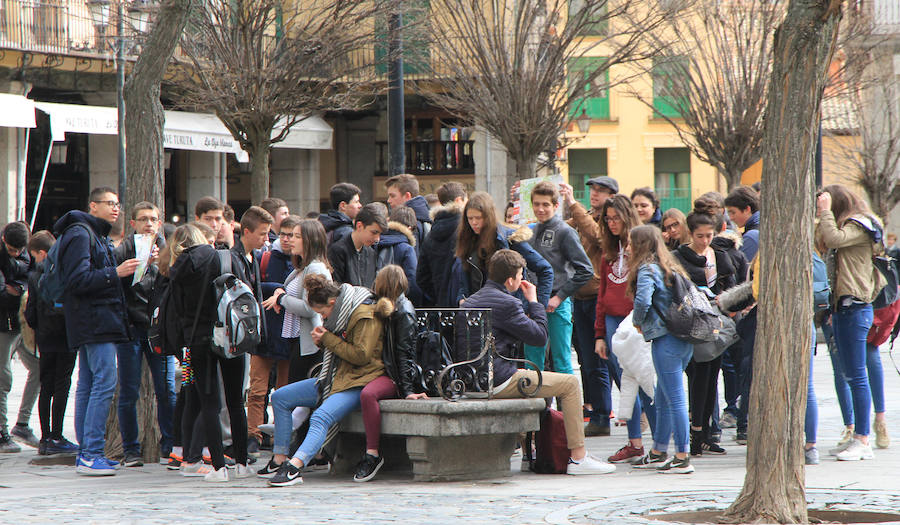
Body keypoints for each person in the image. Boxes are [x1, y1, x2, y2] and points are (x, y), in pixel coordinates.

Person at [460, 249, 615, 475]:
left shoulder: (471, 301)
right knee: (570, 383)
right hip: (499, 380)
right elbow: (540, 336)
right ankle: (579, 458)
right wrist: (534, 302)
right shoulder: (508, 303)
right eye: (521, 275)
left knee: (530, 377)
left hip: (472, 381)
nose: (523, 280)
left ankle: (528, 452)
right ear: (510, 279)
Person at [263, 274, 386, 487]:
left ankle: (295, 467)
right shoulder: (339, 313)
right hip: (335, 376)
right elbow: (339, 347)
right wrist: (323, 341)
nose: (322, 318)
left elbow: (361, 356)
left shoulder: (364, 313)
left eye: (322, 312)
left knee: (320, 416)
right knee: (281, 397)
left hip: (358, 380)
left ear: (332, 302)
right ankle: (279, 459)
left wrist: (327, 339)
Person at [56, 187, 136, 475]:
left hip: (96, 320)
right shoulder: (81, 233)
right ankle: (90, 453)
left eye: (117, 204)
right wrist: (116, 272)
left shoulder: (92, 233)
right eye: (109, 203)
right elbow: (77, 280)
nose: (116, 208)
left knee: (90, 384)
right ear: (93, 205)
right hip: (94, 321)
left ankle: (87, 452)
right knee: (103, 383)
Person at [170, 223, 251, 481]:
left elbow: (177, 308)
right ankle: (242, 463)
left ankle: (218, 468)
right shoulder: (228, 257)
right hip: (230, 335)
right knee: (236, 402)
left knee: (209, 403)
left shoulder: (182, 266)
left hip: (198, 339)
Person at [816, 183, 886, 461]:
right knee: (848, 372)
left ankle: (863, 440)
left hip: (857, 306)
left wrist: (824, 211)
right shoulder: (851, 225)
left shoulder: (861, 225)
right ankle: (857, 433)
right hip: (844, 307)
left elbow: (832, 238)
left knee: (857, 375)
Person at [627, 225, 695, 474]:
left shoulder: (647, 269)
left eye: (630, 243)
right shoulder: (671, 266)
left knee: (674, 398)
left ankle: (682, 456)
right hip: (683, 338)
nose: (627, 248)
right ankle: (658, 451)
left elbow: (643, 300)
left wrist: (637, 321)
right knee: (664, 395)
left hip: (666, 339)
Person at [113, 201, 175, 467]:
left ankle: (171, 445)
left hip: (159, 330)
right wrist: (138, 267)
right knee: (129, 392)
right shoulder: (124, 250)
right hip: (130, 329)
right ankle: (130, 450)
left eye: (153, 219)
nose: (149, 223)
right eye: (143, 219)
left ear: (159, 223)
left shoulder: (168, 249)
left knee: (167, 390)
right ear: (133, 224)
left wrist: (161, 263)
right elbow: (115, 286)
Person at [671, 204, 735, 456]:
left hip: (716, 321)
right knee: (697, 377)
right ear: (690, 233)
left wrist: (725, 301)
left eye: (709, 236)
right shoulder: (679, 256)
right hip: (692, 322)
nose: (705, 241)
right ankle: (695, 432)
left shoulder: (718, 254)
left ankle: (707, 433)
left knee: (711, 378)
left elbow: (731, 283)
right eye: (700, 236)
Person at [593, 195, 653, 463]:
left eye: (616, 218)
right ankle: (634, 444)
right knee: (624, 384)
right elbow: (602, 294)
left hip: (636, 322)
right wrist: (598, 334)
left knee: (646, 383)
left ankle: (661, 445)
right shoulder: (608, 250)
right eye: (607, 219)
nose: (612, 223)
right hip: (611, 322)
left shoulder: (642, 248)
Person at [354, 265, 427, 482]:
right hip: (378, 369)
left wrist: (407, 391)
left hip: (393, 375)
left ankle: (373, 453)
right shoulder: (382, 304)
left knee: (368, 395)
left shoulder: (403, 311)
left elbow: (405, 354)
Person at [559, 177, 616, 437]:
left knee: (606, 361)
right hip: (579, 297)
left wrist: (572, 203)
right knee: (588, 362)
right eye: (593, 189)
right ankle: (599, 415)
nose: (594, 194)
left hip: (597, 298)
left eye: (601, 191)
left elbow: (598, 236)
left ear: (612, 195)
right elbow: (561, 229)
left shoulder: (608, 222)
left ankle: (612, 414)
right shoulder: (586, 216)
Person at [522, 181, 593, 376]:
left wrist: (560, 297)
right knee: (532, 361)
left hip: (557, 302)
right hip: (533, 303)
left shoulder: (565, 232)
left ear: (555, 205)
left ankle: (567, 407)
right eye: (536, 204)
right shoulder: (529, 231)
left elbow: (586, 270)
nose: (540, 209)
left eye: (545, 204)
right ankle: (536, 407)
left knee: (561, 360)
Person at [245, 214, 301, 456]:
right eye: (285, 234)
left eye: (293, 235)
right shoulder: (265, 256)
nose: (287, 239)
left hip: (290, 334)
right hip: (266, 332)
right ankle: (253, 436)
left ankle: (281, 436)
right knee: (257, 390)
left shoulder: (303, 260)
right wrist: (274, 290)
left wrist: (282, 295)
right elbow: (251, 285)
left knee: (285, 391)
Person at [24, 231, 78, 456]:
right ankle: (57, 434)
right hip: (66, 335)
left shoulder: (35, 276)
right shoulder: (67, 271)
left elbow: (30, 312)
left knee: (46, 385)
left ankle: (46, 437)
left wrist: (37, 328)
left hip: (45, 337)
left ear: (42, 253)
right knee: (62, 384)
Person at [454, 192, 553, 308]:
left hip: (510, 311)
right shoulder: (467, 241)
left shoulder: (510, 238)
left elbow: (545, 270)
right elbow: (464, 280)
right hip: (479, 312)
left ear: (488, 217)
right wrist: (461, 297)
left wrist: (536, 309)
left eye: (478, 218)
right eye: (470, 218)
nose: (474, 222)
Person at [0, 221, 37, 452]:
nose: (15, 254)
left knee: (40, 368)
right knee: (3, 378)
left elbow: (32, 280)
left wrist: (19, 288)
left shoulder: (28, 253)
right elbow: (3, 294)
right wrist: (21, 288)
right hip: (4, 323)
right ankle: (1, 431)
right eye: (11, 250)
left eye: (19, 250)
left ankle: (22, 424)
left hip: (23, 321)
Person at [417, 182, 467, 307]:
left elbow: (422, 277)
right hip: (465, 303)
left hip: (441, 305)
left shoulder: (431, 235)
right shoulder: (466, 230)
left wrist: (439, 295)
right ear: (459, 200)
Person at [328, 203, 386, 288]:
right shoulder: (337, 251)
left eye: (379, 234)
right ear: (359, 226)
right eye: (374, 233)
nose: (377, 239)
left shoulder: (371, 253)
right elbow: (336, 288)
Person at [376, 206, 422, 305]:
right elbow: (412, 281)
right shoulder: (406, 248)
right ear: (409, 228)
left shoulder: (376, 243)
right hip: (398, 304)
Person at [385, 174, 432, 253]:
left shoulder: (412, 223)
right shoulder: (426, 218)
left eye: (392, 196)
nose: (388, 200)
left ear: (407, 196)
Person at [724, 185, 761, 262]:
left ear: (747, 209)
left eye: (733, 212)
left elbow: (737, 269)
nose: (731, 218)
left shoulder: (752, 237)